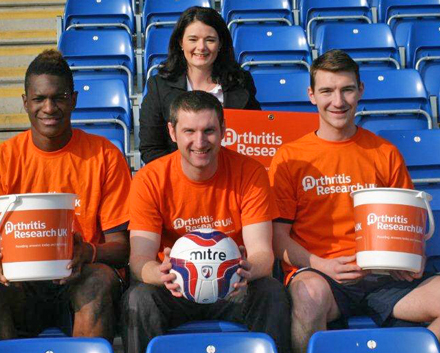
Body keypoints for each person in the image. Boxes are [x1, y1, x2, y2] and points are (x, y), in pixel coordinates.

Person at [268, 49, 440, 353]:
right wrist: (321, 264)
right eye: (327, 91)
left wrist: (412, 260)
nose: (338, 101)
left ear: (360, 91)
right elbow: (278, 238)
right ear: (311, 95)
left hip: (384, 277)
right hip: (322, 275)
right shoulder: (290, 157)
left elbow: (411, 227)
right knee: (307, 298)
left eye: (347, 89)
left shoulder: (383, 152)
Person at [0, 49, 132, 353]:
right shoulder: (2, 158)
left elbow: (121, 248)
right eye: (39, 99)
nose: (49, 107)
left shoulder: (105, 156)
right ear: (25, 102)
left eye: (58, 97)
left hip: (81, 279)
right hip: (21, 288)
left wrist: (87, 252)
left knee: (97, 281)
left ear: (73, 99)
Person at [122, 91, 290, 353]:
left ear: (223, 130)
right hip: (175, 289)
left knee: (271, 292)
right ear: (172, 131)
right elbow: (139, 259)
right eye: (189, 131)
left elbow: (263, 255)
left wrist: (246, 270)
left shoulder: (250, 172)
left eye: (209, 131)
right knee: (138, 299)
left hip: (232, 287)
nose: (199, 142)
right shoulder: (149, 179)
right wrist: (161, 273)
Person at [140, 6, 261, 164]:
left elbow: (256, 138)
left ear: (220, 44)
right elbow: (151, 149)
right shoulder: (159, 86)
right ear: (180, 43)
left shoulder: (241, 82)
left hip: (233, 179)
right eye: (193, 39)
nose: (201, 47)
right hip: (178, 183)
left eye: (210, 40)